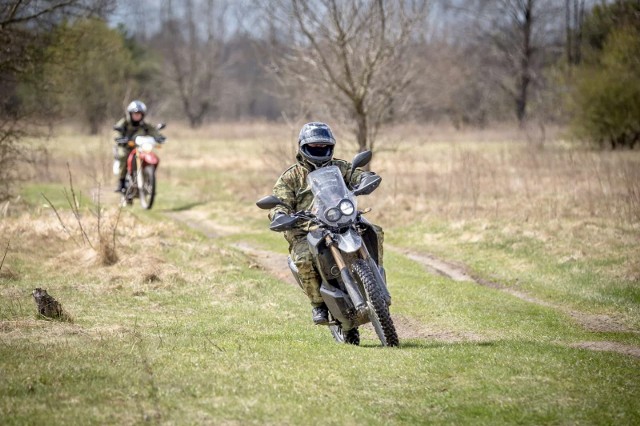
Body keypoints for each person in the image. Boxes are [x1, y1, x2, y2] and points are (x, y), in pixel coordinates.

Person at [268, 122, 384, 325]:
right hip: (306, 228)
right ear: (303, 147)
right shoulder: (290, 177)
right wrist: (280, 214)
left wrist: (366, 179)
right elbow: (279, 202)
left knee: (374, 230)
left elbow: (355, 175)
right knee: (303, 258)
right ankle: (318, 305)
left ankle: (375, 275)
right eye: (314, 147)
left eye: (323, 146)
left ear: (331, 147)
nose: (319, 150)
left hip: (341, 219)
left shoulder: (340, 167)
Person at [112, 100, 163, 192]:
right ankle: (121, 182)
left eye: (139, 114)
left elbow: (153, 131)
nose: (137, 115)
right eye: (135, 113)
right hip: (125, 147)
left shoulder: (144, 125)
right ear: (130, 114)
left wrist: (159, 137)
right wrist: (120, 138)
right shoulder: (124, 123)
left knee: (152, 155)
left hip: (140, 148)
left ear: (142, 115)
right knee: (123, 156)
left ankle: (148, 179)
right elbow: (117, 132)